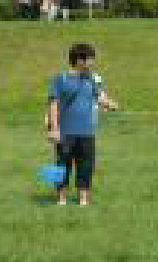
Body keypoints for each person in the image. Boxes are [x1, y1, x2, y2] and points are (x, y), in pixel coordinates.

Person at [45, 43, 119, 206]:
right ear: (80, 60)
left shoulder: (91, 79)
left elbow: (99, 97)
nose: (92, 63)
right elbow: (53, 104)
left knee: (86, 166)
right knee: (62, 165)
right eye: (90, 59)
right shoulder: (60, 79)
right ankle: (61, 199)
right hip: (65, 132)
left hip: (87, 132)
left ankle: (83, 200)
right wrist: (54, 129)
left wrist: (110, 104)